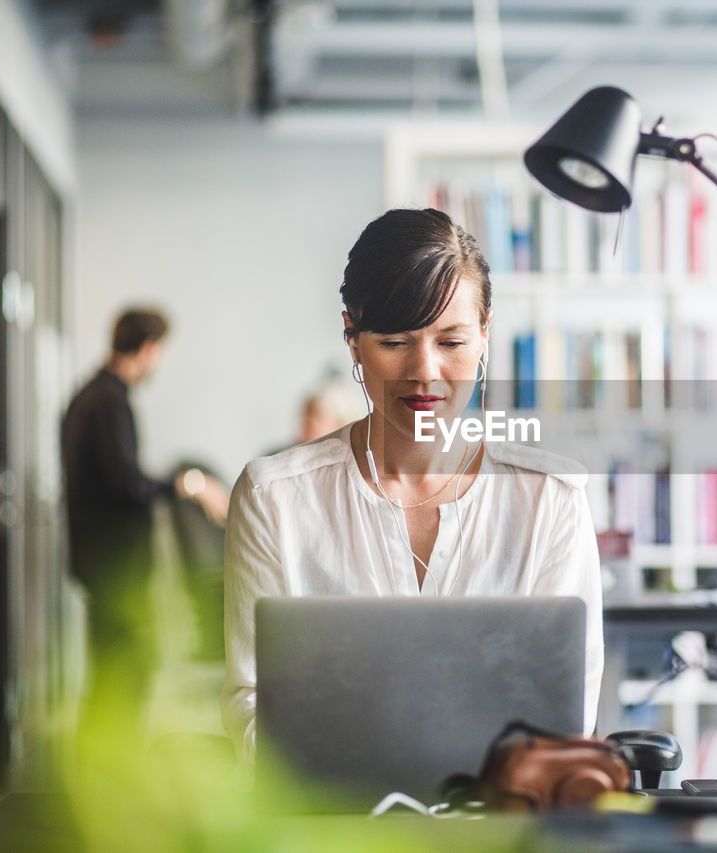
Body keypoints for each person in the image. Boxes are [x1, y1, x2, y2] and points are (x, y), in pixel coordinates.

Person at [222, 208, 603, 764]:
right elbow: (252, 708)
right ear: (352, 338)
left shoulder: (550, 500)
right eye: (396, 341)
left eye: (451, 342)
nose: (424, 372)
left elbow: (565, 722)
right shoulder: (274, 498)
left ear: (485, 337)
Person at [62, 308, 229, 731]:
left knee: (113, 671)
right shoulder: (108, 402)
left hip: (100, 563)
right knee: (125, 671)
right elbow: (128, 484)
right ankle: (109, 779)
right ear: (149, 348)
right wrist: (189, 485)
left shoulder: (90, 397)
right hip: (115, 567)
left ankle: (102, 776)